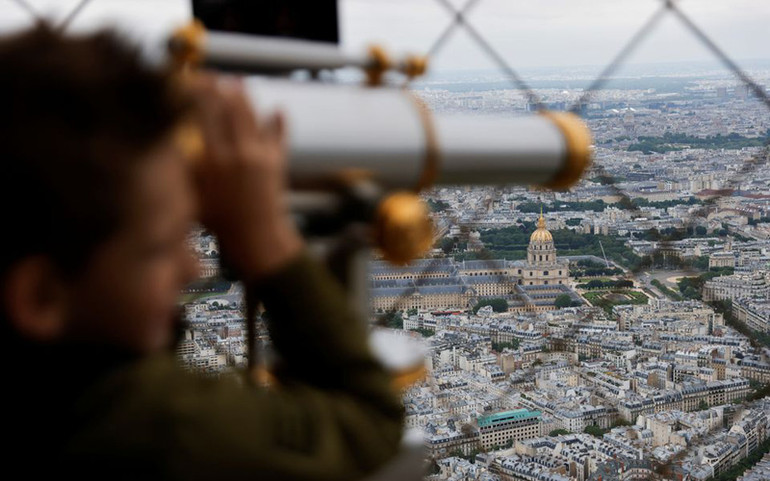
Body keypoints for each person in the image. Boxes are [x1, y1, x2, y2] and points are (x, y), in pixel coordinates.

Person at [1, 23, 405, 480]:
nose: (192, 267)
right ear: (41, 297)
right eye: (159, 249)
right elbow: (367, 419)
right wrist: (266, 238)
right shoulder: (155, 430)